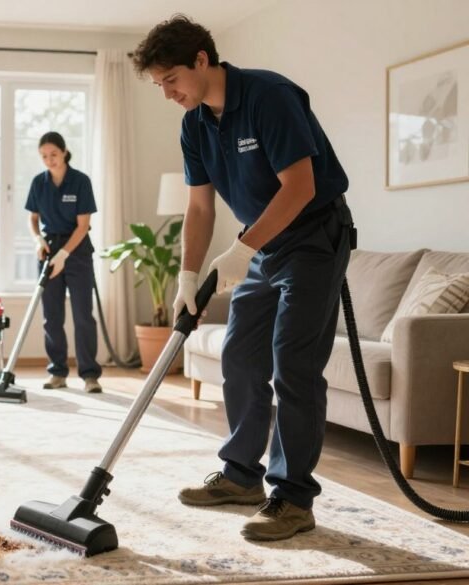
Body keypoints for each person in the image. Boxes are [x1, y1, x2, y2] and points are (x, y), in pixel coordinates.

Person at [132, 15, 354, 541]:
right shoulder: (193, 124)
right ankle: (240, 477)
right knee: (239, 354)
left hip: (314, 238)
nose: (166, 93)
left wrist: (241, 249)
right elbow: (200, 207)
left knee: (294, 366)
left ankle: (293, 498)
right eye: (158, 84)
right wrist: (189, 273)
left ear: (202, 60)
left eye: (171, 79)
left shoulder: (268, 95)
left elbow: (299, 187)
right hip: (263, 245)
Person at [26, 132, 103, 394]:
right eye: (44, 156)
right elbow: (33, 219)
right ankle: (57, 371)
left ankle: (90, 375)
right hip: (48, 250)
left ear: (64, 152)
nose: (49, 160)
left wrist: (64, 255)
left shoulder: (80, 182)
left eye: (53, 155)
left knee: (83, 315)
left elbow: (83, 226)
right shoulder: (39, 183)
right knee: (52, 316)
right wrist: (38, 241)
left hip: (77, 252)